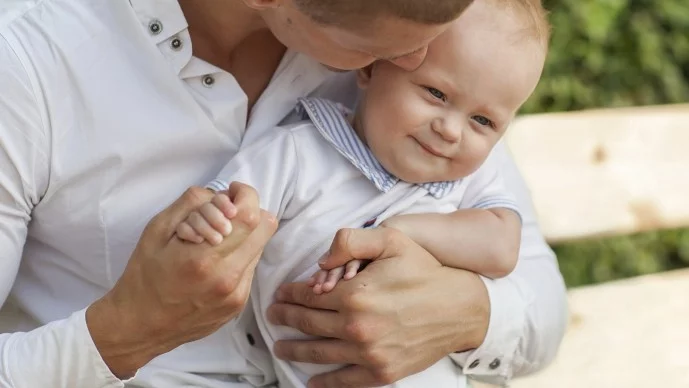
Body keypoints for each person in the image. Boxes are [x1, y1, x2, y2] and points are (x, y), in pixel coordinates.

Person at [0, 0, 567, 387]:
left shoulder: (417, 34)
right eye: (401, 54)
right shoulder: (26, 64)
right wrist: (122, 333)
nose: (418, 59)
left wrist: (464, 314)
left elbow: (541, 303)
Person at [176, 2, 548, 386]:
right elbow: (226, 209)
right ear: (371, 67)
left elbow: (502, 248)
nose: (452, 130)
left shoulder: (469, 175)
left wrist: (400, 232)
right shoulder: (300, 151)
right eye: (436, 93)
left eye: (483, 121)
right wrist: (211, 217)